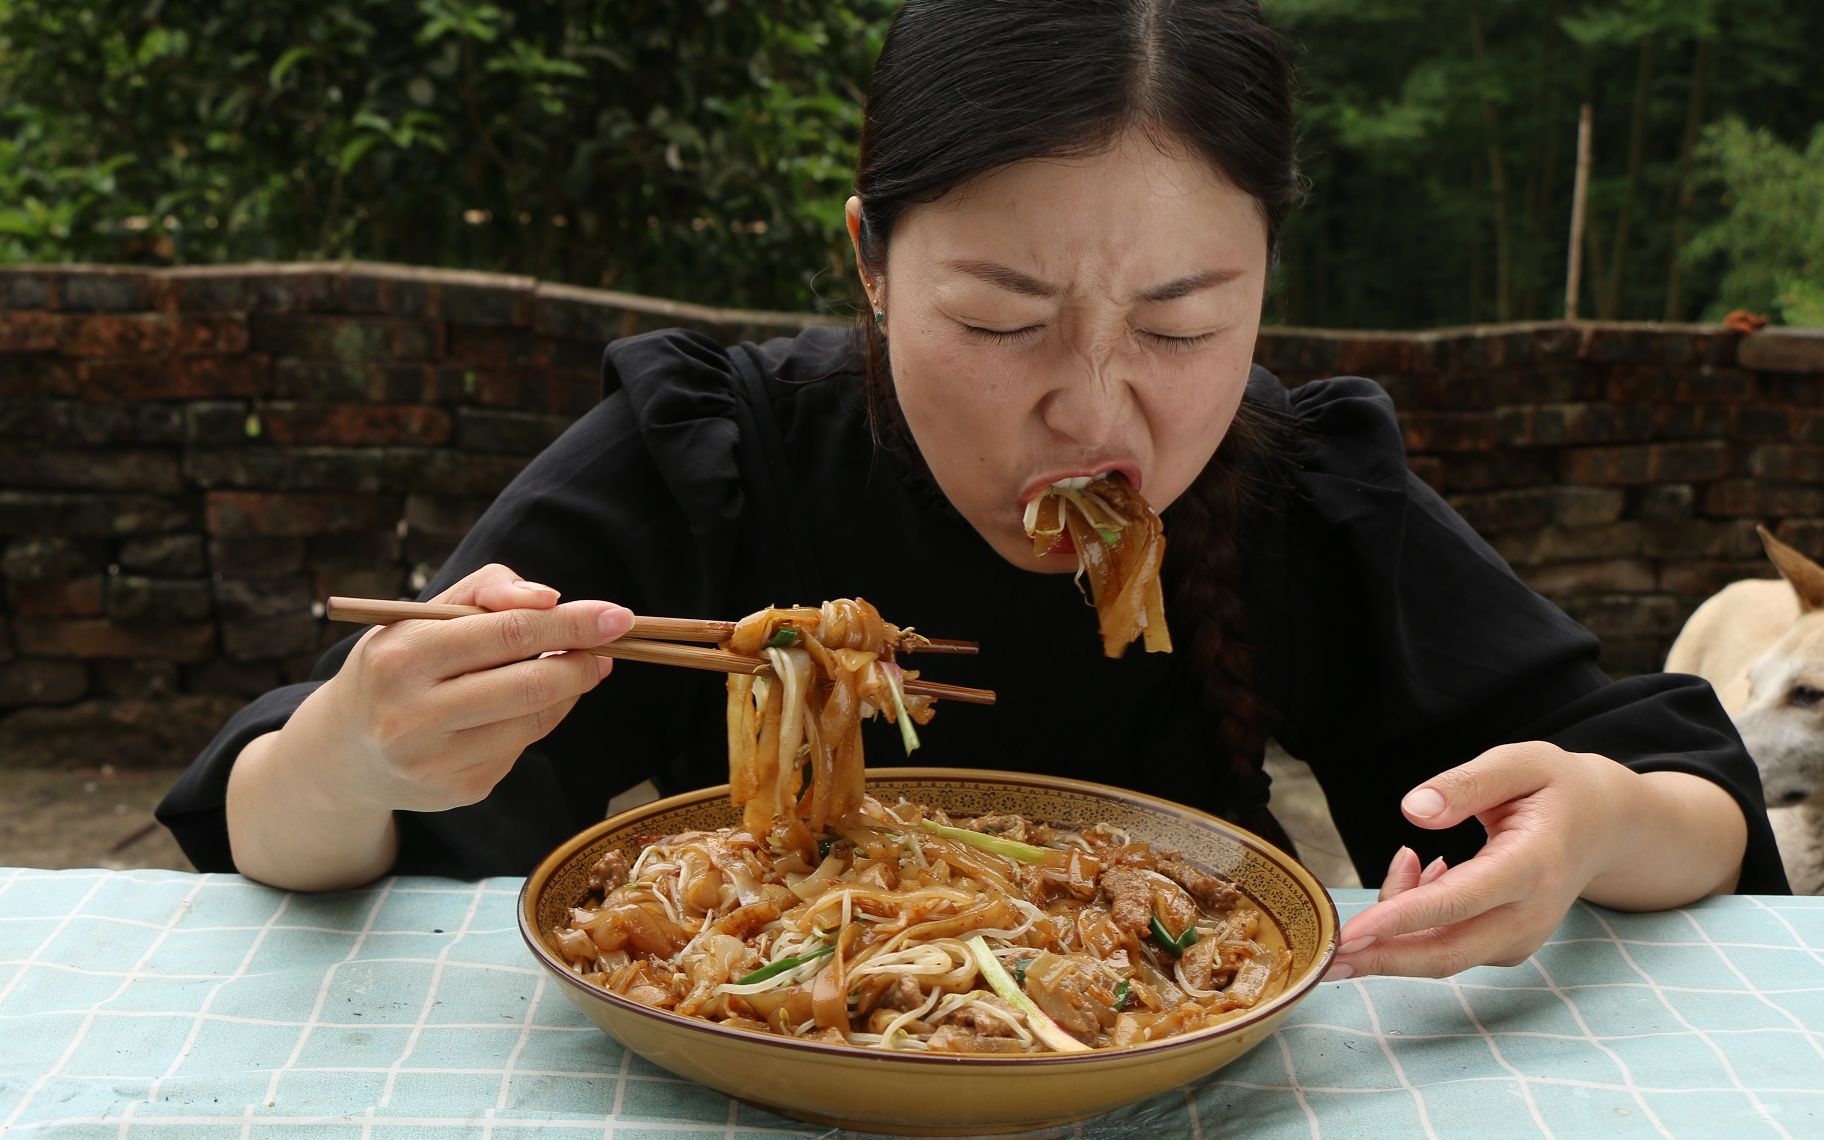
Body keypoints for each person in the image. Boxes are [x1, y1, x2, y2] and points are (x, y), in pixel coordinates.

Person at [158, 0, 1787, 982]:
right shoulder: (713, 452)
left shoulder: (1292, 482)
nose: (1096, 403)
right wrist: (356, 747)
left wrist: (1595, 829)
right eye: (1003, 319)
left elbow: (1672, 781)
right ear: (869, 261)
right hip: (752, 1051)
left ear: (1267, 280)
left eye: (1184, 322)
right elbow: (274, 827)